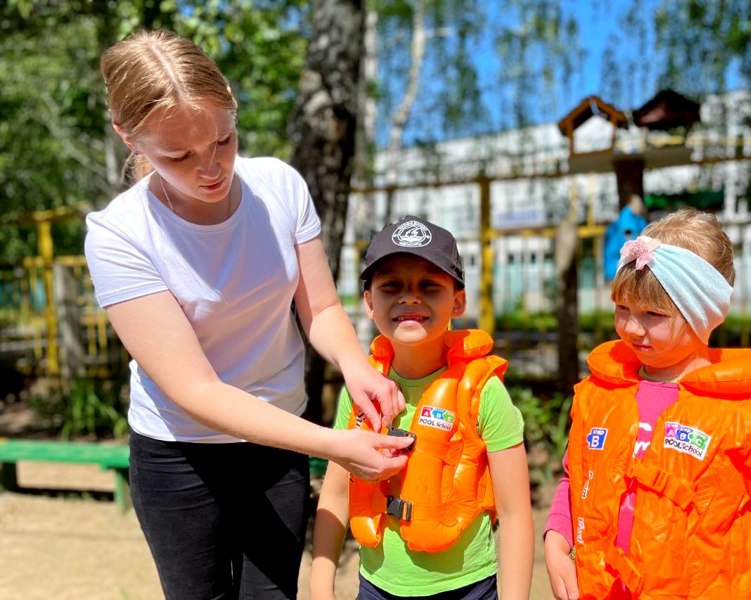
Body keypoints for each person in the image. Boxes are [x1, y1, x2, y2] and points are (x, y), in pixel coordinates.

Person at [85, 30, 413, 599]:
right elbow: (197, 391)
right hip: (179, 453)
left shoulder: (279, 185)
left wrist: (357, 366)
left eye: (223, 140)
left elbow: (323, 308)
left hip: (277, 446)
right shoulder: (118, 235)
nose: (211, 167)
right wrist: (333, 445)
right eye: (179, 156)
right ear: (127, 136)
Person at [543, 208, 751, 600]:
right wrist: (556, 539)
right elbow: (577, 479)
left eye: (653, 314)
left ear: (702, 312)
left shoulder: (748, 415)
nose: (631, 328)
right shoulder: (600, 394)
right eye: (623, 308)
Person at [310, 216, 534, 600]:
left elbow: (515, 515)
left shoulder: (485, 392)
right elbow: (335, 495)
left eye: (429, 286)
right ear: (368, 302)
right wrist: (320, 588)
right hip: (376, 587)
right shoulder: (360, 389)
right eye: (391, 286)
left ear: (458, 301)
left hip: (468, 589)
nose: (409, 297)